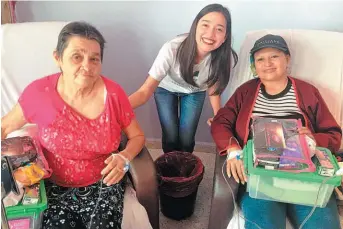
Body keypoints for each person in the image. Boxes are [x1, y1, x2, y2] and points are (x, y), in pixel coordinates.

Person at [1, 21, 145, 229]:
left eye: (94, 59)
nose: (87, 66)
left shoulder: (114, 95)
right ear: (58, 58)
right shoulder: (39, 93)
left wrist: (124, 156)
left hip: (103, 182)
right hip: (52, 185)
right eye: (77, 57)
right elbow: (4, 127)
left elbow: (138, 137)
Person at [211, 34, 342, 229]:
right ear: (254, 65)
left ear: (287, 59)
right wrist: (233, 149)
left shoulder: (308, 91)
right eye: (260, 59)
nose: (267, 63)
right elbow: (221, 121)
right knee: (263, 224)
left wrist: (313, 139)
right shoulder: (245, 92)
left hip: (305, 178)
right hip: (261, 176)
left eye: (274, 56)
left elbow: (333, 134)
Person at [129, 3, 238, 153]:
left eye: (219, 29)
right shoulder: (172, 48)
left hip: (195, 92)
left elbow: (214, 89)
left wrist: (218, 116)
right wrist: (115, 110)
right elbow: (144, 92)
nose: (210, 34)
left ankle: (185, 165)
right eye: (205, 25)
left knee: (187, 138)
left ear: (225, 37)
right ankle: (170, 168)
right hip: (165, 89)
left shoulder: (222, 58)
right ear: (195, 27)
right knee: (170, 135)